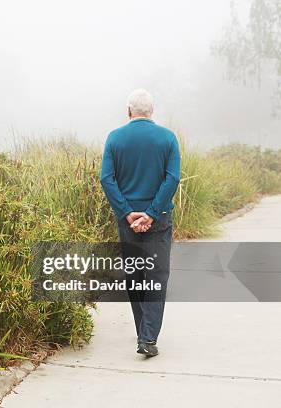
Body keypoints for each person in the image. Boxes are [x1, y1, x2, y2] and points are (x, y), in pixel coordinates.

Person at [100, 89, 181, 357]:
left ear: (128, 111)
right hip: (159, 220)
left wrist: (127, 212)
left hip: (128, 221)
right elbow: (172, 179)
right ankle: (147, 338)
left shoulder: (115, 138)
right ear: (152, 111)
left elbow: (107, 179)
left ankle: (143, 334)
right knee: (156, 277)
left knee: (135, 275)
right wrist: (152, 212)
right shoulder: (168, 138)